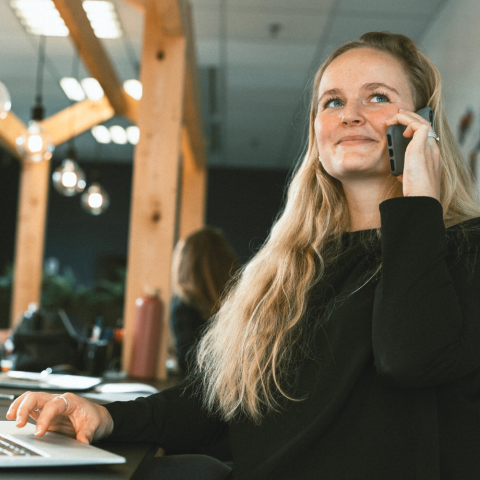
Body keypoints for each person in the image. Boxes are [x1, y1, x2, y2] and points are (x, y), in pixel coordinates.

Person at [7, 31, 480, 479]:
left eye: (377, 97)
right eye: (332, 101)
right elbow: (222, 401)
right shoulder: (296, 265)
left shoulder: (464, 248)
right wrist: (106, 417)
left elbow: (408, 358)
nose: (349, 115)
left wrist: (418, 205)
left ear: (424, 125)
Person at [170, 227, 239, 375]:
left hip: (203, 392)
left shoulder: (184, 304)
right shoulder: (242, 299)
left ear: (186, 261)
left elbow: (188, 364)